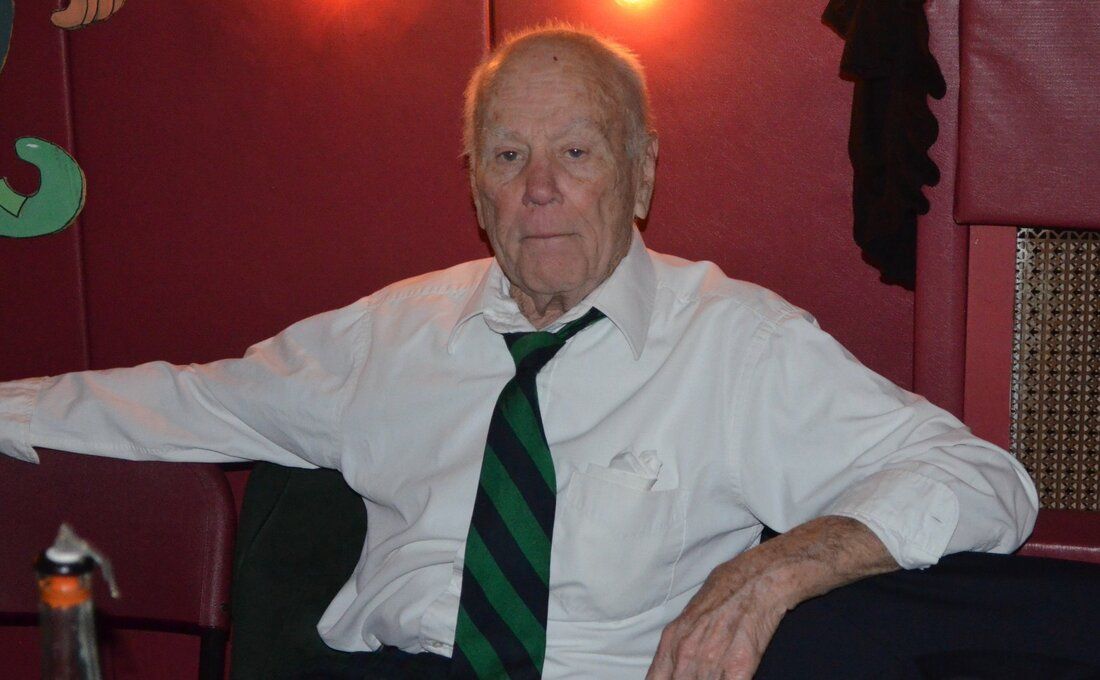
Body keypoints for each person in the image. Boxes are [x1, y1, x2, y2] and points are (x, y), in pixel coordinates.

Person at [0, 24, 1078, 680]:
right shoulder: (388, 333)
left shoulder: (735, 343)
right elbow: (175, 403)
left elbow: (985, 481)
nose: (541, 188)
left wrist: (771, 568)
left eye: (576, 150)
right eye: (508, 155)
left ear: (642, 173)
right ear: (472, 181)